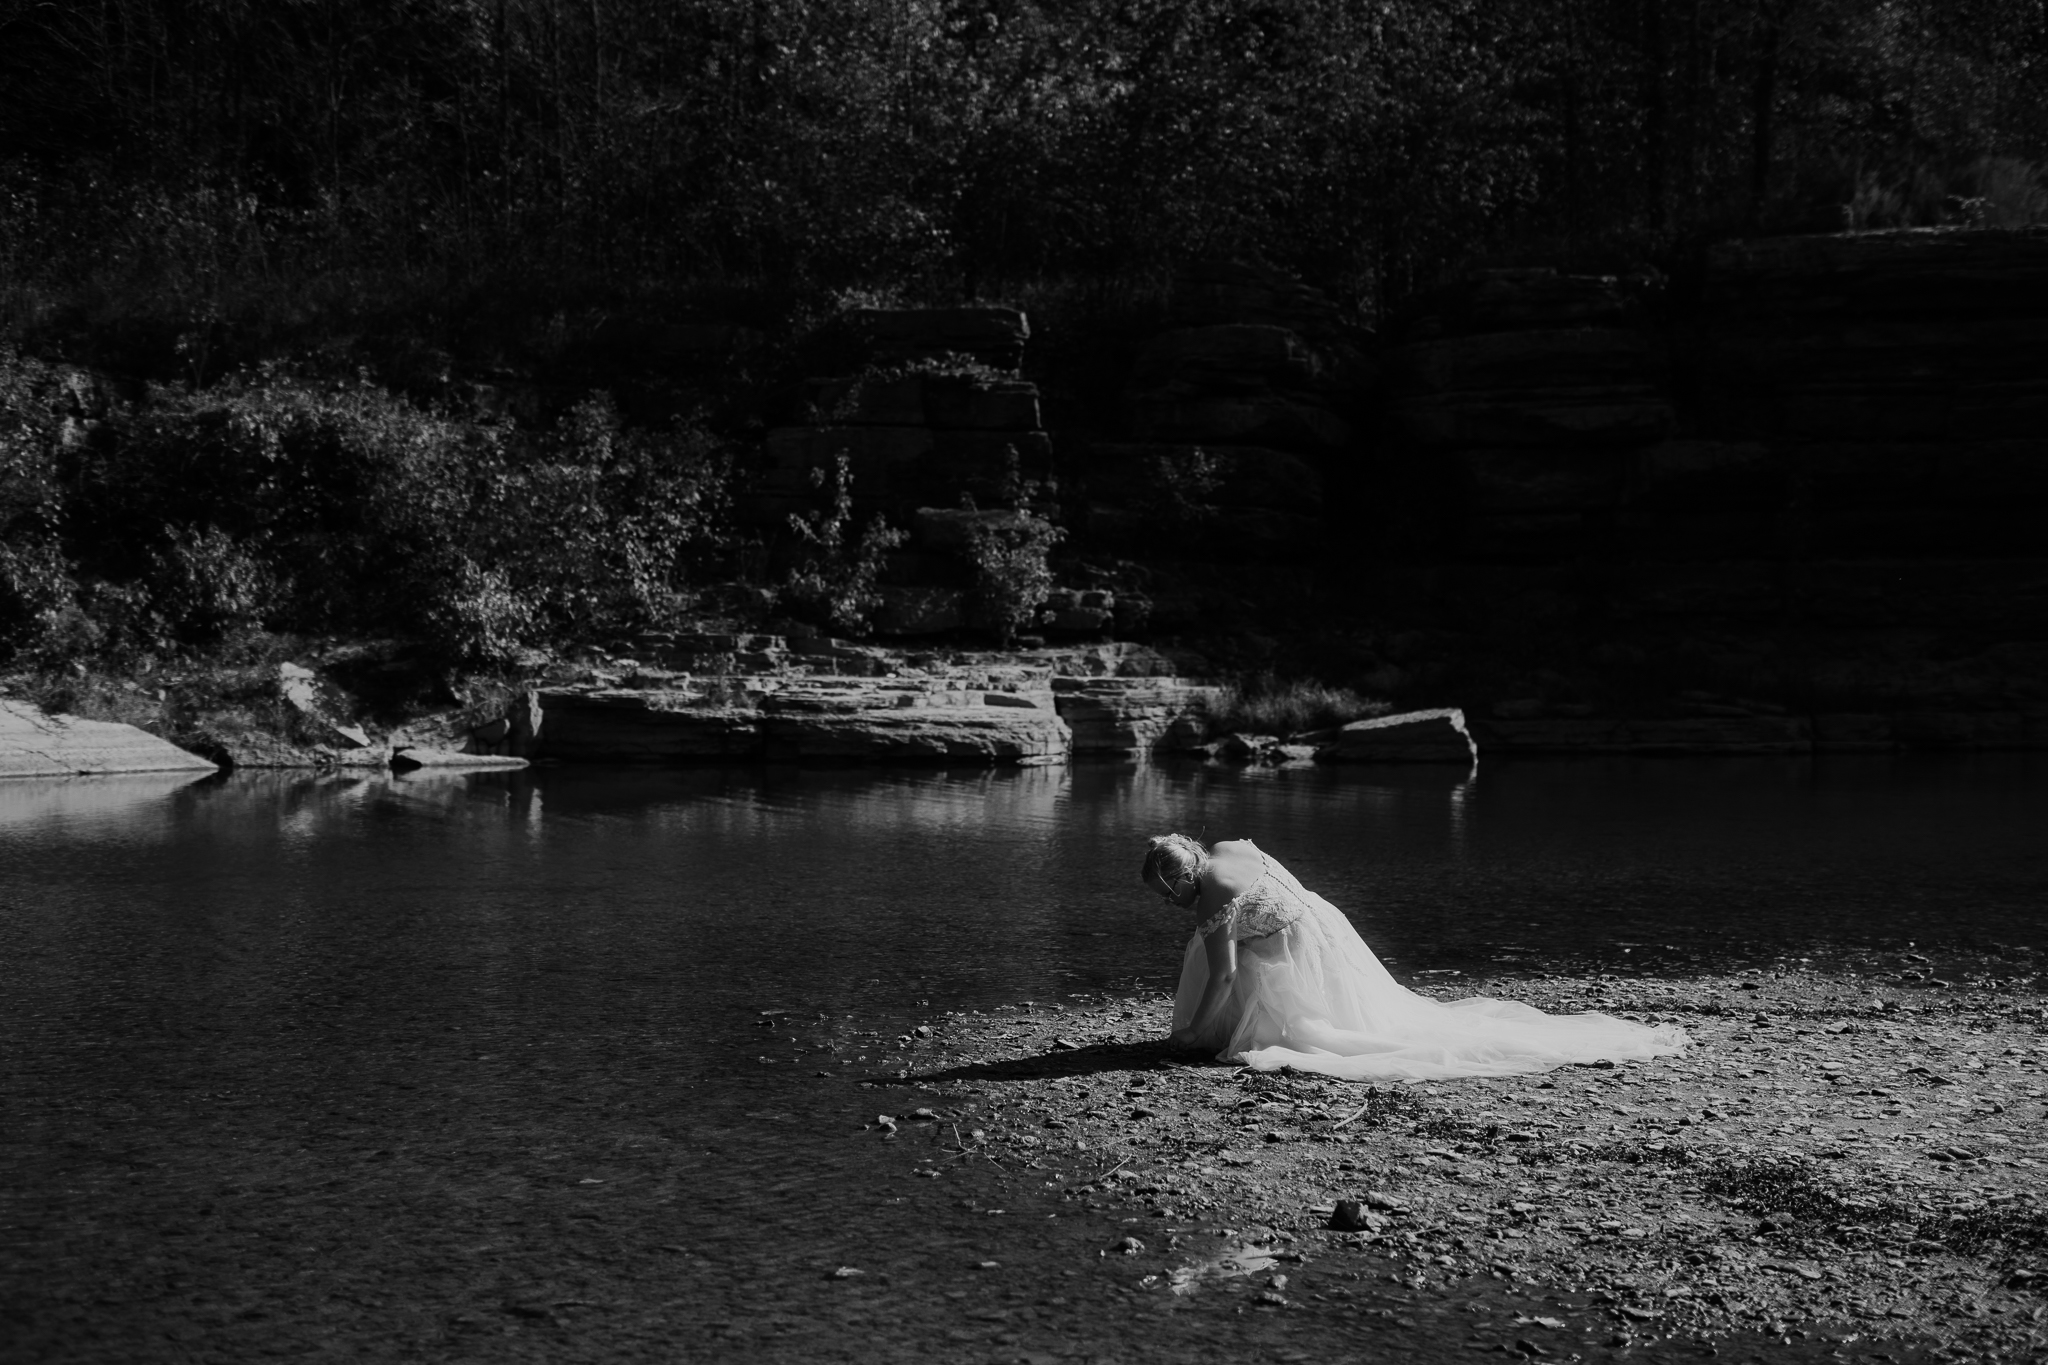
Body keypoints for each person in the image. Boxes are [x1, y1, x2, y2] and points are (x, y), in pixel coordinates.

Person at [1142, 834, 1687, 1080]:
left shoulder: (1210, 897)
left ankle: (1208, 1035)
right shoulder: (1230, 846)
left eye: (1169, 895)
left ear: (1186, 876)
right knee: (1215, 940)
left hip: (1290, 946)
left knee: (1215, 951)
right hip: (1319, 922)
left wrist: (1192, 1033)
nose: (1170, 906)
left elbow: (1225, 973)